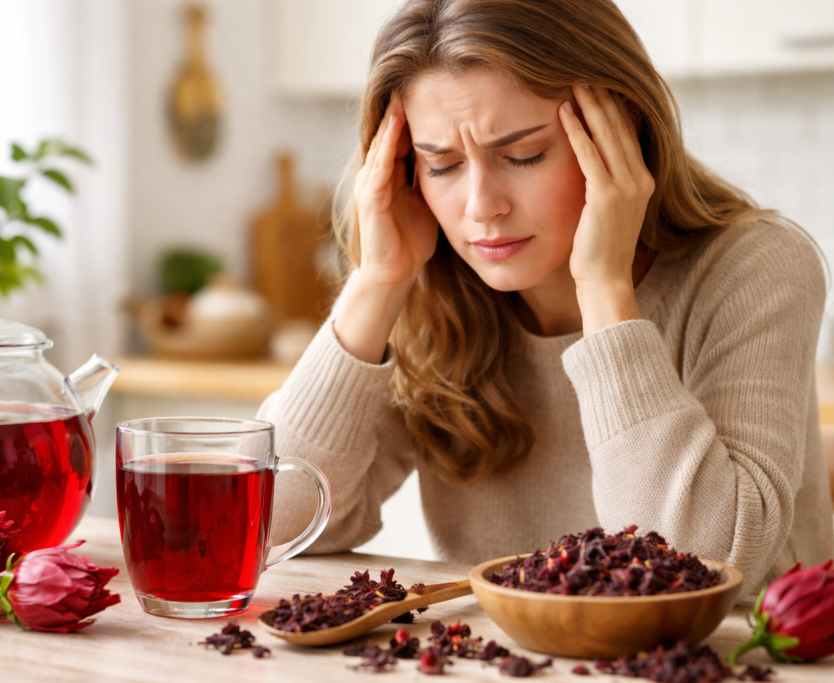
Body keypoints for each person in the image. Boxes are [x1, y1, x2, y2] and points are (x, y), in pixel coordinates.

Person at [259, 0, 834, 595]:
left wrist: (605, 290)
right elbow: (273, 526)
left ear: (622, 132)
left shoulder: (755, 266)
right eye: (443, 165)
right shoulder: (434, 290)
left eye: (523, 154)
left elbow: (704, 569)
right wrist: (378, 281)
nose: (481, 207)